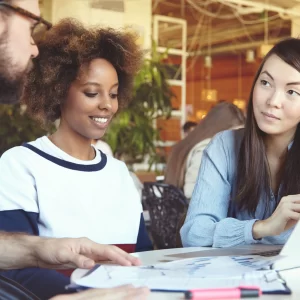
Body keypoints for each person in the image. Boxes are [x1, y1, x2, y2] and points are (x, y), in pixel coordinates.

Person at [0, 0, 149, 299]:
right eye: (92, 93)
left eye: (114, 94)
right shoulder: (20, 165)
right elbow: (12, 276)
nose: (106, 104)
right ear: (58, 90)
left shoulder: (119, 174)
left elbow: (143, 259)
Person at [181, 37, 300, 248]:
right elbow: (194, 233)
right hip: (236, 278)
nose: (273, 101)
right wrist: (261, 228)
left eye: (292, 92)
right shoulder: (225, 147)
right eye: (266, 83)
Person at [164, 102, 245, 200]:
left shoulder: (187, 144)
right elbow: (191, 191)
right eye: (233, 134)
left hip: (176, 210)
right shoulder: (206, 148)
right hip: (194, 212)